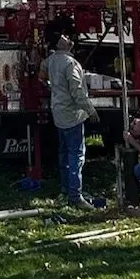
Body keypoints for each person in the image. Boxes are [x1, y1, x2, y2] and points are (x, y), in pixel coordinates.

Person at [42, 16, 99, 209]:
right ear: (60, 42)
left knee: (64, 153)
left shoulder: (51, 61)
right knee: (76, 155)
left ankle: (66, 189)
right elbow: (77, 92)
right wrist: (90, 111)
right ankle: (76, 196)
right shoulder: (70, 64)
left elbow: (42, 74)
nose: (68, 38)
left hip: (58, 114)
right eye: (65, 37)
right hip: (73, 116)